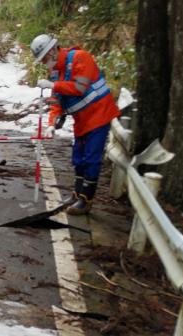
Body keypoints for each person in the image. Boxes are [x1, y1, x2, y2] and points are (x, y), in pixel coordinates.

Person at [30, 34, 120, 215]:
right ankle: (77, 194)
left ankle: (86, 200)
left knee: (91, 158)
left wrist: (53, 86)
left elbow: (79, 88)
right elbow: (57, 101)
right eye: (42, 61)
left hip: (99, 115)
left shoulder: (80, 57)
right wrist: (52, 123)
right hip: (82, 120)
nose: (45, 63)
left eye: (45, 59)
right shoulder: (55, 73)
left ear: (53, 51)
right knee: (78, 158)